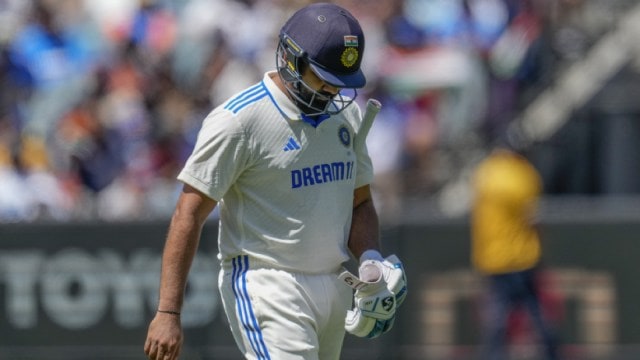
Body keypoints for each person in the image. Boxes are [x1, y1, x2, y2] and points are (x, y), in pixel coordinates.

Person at [143, 3, 407, 360]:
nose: (330, 93)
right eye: (322, 79)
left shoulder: (347, 116)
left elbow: (359, 201)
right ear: (290, 58)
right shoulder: (239, 120)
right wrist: (168, 312)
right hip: (268, 283)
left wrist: (371, 260)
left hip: (333, 281)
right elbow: (187, 214)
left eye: (338, 84)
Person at [470, 139, 559, 360]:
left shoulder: (485, 172)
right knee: (537, 315)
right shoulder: (523, 174)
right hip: (522, 258)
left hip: (492, 258)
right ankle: (552, 355)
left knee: (497, 320)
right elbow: (533, 218)